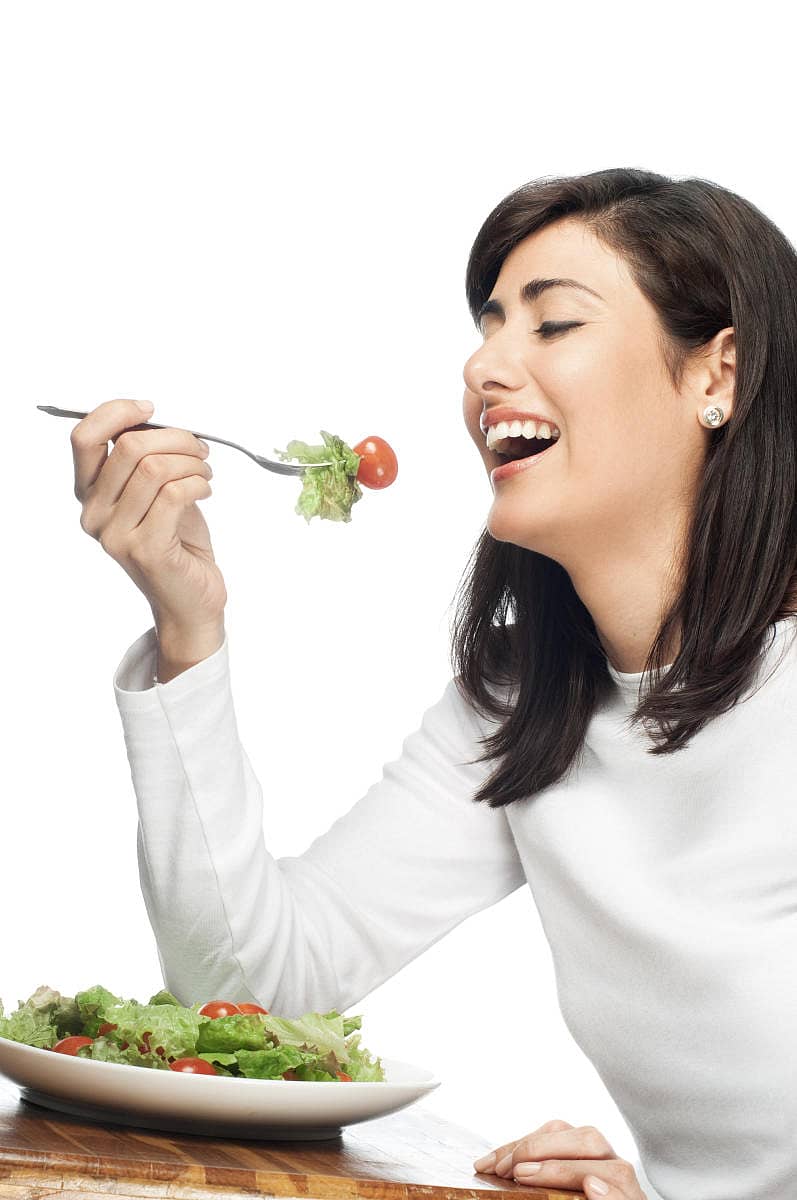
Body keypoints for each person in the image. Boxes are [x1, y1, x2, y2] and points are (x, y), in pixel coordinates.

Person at [67, 167, 797, 1200]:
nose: (483, 365)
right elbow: (254, 990)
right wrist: (188, 626)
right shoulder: (523, 707)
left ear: (713, 374)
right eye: (487, 325)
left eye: (551, 326)